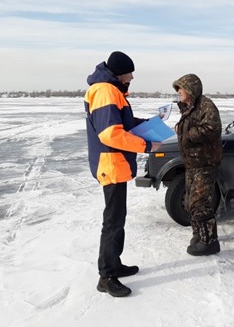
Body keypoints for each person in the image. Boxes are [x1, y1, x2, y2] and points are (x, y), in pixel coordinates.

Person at [84, 51, 160, 297]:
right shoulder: (105, 90)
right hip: (110, 164)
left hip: (115, 163)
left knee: (117, 218)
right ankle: (106, 276)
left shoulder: (112, 90)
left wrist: (148, 123)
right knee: (113, 221)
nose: (133, 77)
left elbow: (123, 123)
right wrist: (147, 145)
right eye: (130, 72)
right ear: (119, 71)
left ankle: (114, 265)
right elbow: (110, 134)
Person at [173, 74, 223, 256]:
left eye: (181, 88)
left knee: (199, 203)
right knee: (190, 202)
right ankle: (198, 235)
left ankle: (209, 242)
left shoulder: (206, 105)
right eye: (177, 89)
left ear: (191, 90)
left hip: (205, 163)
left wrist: (185, 133)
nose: (178, 92)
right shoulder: (188, 107)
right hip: (192, 164)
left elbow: (212, 128)